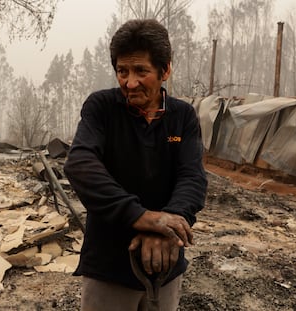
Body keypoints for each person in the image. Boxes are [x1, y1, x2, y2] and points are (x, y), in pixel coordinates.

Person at [64, 19, 207, 311]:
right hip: (109, 265)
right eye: (122, 71)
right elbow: (80, 164)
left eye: (141, 71)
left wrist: (168, 225)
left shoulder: (183, 116)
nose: (129, 82)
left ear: (165, 70)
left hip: (165, 263)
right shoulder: (101, 108)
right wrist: (141, 217)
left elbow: (192, 178)